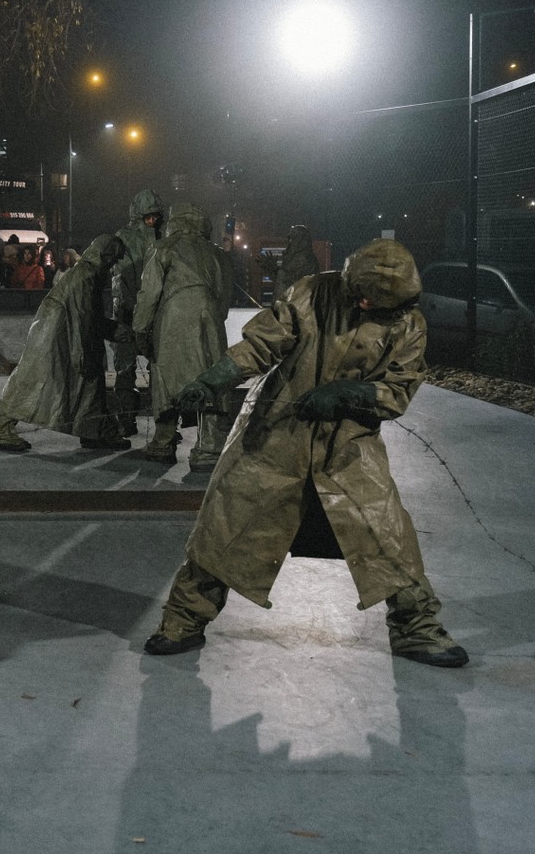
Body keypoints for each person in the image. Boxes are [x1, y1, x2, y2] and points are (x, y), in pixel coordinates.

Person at [143, 238, 469, 669]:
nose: (377, 309)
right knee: (224, 527)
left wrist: (348, 393)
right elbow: (261, 344)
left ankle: (416, 630)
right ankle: (182, 621)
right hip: (276, 437)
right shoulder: (312, 293)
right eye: (370, 300)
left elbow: (398, 390)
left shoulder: (408, 324)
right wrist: (211, 381)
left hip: (348, 446)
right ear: (356, 290)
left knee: (387, 533)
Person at [0, 234, 132, 453]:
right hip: (57, 330)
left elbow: (89, 317)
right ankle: (1, 429)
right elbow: (82, 317)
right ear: (107, 256)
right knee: (34, 376)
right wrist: (82, 351)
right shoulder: (86, 276)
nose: (114, 265)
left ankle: (92, 429)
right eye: (114, 259)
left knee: (88, 381)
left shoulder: (89, 274)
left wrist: (113, 331)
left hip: (59, 327)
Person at [132, 201, 232, 468]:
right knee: (211, 375)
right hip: (209, 315)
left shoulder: (162, 247)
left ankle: (163, 441)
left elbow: (149, 295)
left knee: (166, 375)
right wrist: (213, 320)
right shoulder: (217, 253)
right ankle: (209, 445)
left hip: (173, 315)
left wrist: (141, 331)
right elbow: (224, 297)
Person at [111, 189, 164, 436]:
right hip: (130, 312)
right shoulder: (126, 238)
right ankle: (126, 420)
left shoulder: (161, 238)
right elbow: (118, 278)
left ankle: (160, 428)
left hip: (149, 314)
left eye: (155, 217)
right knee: (125, 372)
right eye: (148, 217)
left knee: (158, 374)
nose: (151, 221)